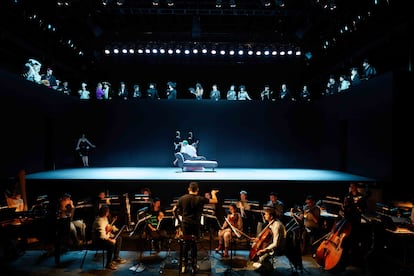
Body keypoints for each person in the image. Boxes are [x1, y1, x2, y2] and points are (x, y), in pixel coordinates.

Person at [172, 182, 218, 273]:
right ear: (197, 190)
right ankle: (193, 266)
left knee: (185, 244)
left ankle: (184, 266)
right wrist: (213, 193)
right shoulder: (200, 199)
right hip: (195, 225)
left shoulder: (182, 198)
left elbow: (174, 210)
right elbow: (215, 201)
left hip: (185, 225)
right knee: (193, 244)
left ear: (188, 189)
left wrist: (179, 221)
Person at [250, 207, 286, 273]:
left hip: (278, 247)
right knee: (255, 249)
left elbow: (276, 244)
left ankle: (269, 269)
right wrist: (257, 240)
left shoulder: (276, 225)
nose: (264, 216)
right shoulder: (271, 222)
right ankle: (266, 267)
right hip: (270, 243)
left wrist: (264, 250)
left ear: (271, 216)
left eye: (266, 214)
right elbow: (267, 237)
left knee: (261, 258)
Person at [92, 204, 127, 270]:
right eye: (108, 212)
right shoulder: (99, 221)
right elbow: (102, 236)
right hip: (98, 240)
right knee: (111, 244)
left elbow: (106, 229)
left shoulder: (105, 218)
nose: (108, 213)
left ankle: (116, 257)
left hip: (103, 237)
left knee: (119, 238)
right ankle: (108, 264)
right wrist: (111, 240)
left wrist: (110, 234)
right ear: (105, 212)